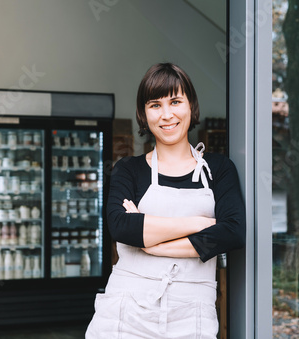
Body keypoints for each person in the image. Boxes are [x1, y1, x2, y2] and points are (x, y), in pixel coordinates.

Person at [86, 63, 246, 338]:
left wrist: (152, 244)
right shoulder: (129, 169)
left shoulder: (218, 169)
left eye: (175, 101)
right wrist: (199, 223)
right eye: (155, 105)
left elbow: (232, 232)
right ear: (143, 114)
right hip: (125, 313)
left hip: (192, 315)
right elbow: (122, 227)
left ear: (191, 106)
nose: (167, 114)